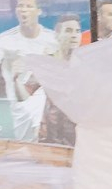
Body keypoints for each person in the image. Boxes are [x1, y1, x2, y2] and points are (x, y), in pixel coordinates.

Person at [12, 12, 83, 147]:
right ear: (57, 35)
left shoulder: (86, 64)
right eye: (68, 31)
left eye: (77, 31)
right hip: (50, 136)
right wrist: (15, 80)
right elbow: (24, 97)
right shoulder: (46, 64)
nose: (74, 35)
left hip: (79, 135)